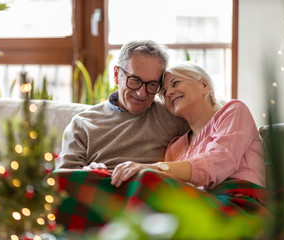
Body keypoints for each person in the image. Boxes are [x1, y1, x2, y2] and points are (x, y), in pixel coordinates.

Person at [110, 61, 266, 190]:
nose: (169, 93)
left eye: (175, 83)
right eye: (163, 93)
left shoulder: (234, 111)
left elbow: (217, 163)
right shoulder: (175, 148)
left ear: (204, 85)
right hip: (198, 210)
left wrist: (155, 168)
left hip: (240, 203)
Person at [56, 40, 188, 170]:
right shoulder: (83, 124)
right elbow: (65, 179)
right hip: (100, 187)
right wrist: (87, 174)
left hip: (151, 188)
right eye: (135, 80)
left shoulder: (172, 116)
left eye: (152, 84)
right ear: (116, 75)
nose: (141, 93)